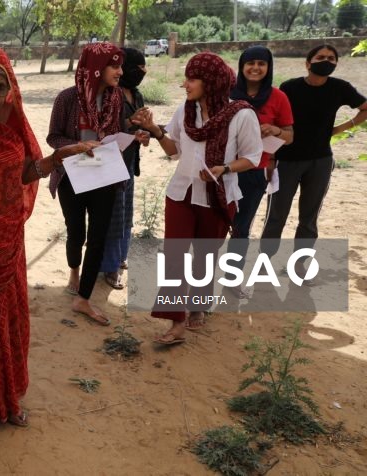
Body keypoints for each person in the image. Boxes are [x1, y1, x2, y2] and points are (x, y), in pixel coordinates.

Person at [0, 45, 95, 428]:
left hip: (9, 247)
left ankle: (8, 399)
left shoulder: (13, 130)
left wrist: (59, 159)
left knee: (8, 326)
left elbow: (25, 174)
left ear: (11, 87)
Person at [133, 52, 263, 344]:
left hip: (218, 196)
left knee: (205, 258)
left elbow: (253, 158)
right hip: (181, 192)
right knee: (175, 257)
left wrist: (225, 168)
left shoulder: (242, 114)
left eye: (192, 78)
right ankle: (176, 323)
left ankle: (199, 306)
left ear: (211, 82)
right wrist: (155, 130)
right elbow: (174, 150)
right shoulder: (186, 110)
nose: (185, 84)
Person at [47, 42, 125, 326]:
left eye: (120, 65)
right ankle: (73, 272)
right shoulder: (67, 98)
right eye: (114, 66)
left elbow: (118, 132)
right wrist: (79, 146)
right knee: (76, 230)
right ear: (95, 69)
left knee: (99, 235)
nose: (120, 71)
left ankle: (83, 297)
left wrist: (134, 137)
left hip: (104, 174)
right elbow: (54, 138)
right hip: (72, 174)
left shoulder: (116, 98)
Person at [261, 44, 367, 250]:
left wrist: (341, 128)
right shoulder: (290, 87)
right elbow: (276, 123)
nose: (326, 61)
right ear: (308, 63)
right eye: (320, 57)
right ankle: (265, 264)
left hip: (320, 161)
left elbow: (364, 108)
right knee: (276, 216)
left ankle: (300, 267)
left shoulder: (340, 88)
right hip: (286, 161)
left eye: (331, 58)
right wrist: (271, 159)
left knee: (308, 219)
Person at [226, 46, 293, 295]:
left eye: (261, 64)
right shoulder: (227, 94)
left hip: (255, 172)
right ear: (242, 66)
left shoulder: (278, 98)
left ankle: (232, 280)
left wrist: (275, 130)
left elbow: (290, 137)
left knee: (241, 228)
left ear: (269, 67)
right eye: (250, 63)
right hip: (223, 169)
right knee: (214, 225)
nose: (255, 68)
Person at [100, 47, 150, 290]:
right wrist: (131, 124)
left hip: (129, 161)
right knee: (113, 215)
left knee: (126, 211)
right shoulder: (111, 95)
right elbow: (108, 129)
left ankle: (120, 256)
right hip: (111, 163)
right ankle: (110, 267)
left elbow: (135, 127)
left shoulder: (136, 94)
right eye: (138, 68)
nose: (142, 73)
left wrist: (145, 131)